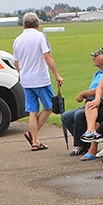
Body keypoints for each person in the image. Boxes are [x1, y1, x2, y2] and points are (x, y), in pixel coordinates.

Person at [12, 12, 63, 151]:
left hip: (26, 79)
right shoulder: (40, 36)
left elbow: (16, 62)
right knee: (48, 107)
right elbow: (47, 56)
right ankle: (33, 136)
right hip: (40, 79)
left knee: (32, 111)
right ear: (37, 24)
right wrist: (57, 75)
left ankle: (35, 140)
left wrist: (21, 73)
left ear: (24, 25)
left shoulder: (18, 39)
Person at [61, 46, 103, 156]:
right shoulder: (98, 73)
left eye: (95, 56)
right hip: (89, 102)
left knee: (79, 115)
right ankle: (84, 142)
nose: (93, 58)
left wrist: (83, 94)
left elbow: (100, 89)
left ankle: (82, 146)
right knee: (66, 117)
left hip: (100, 104)